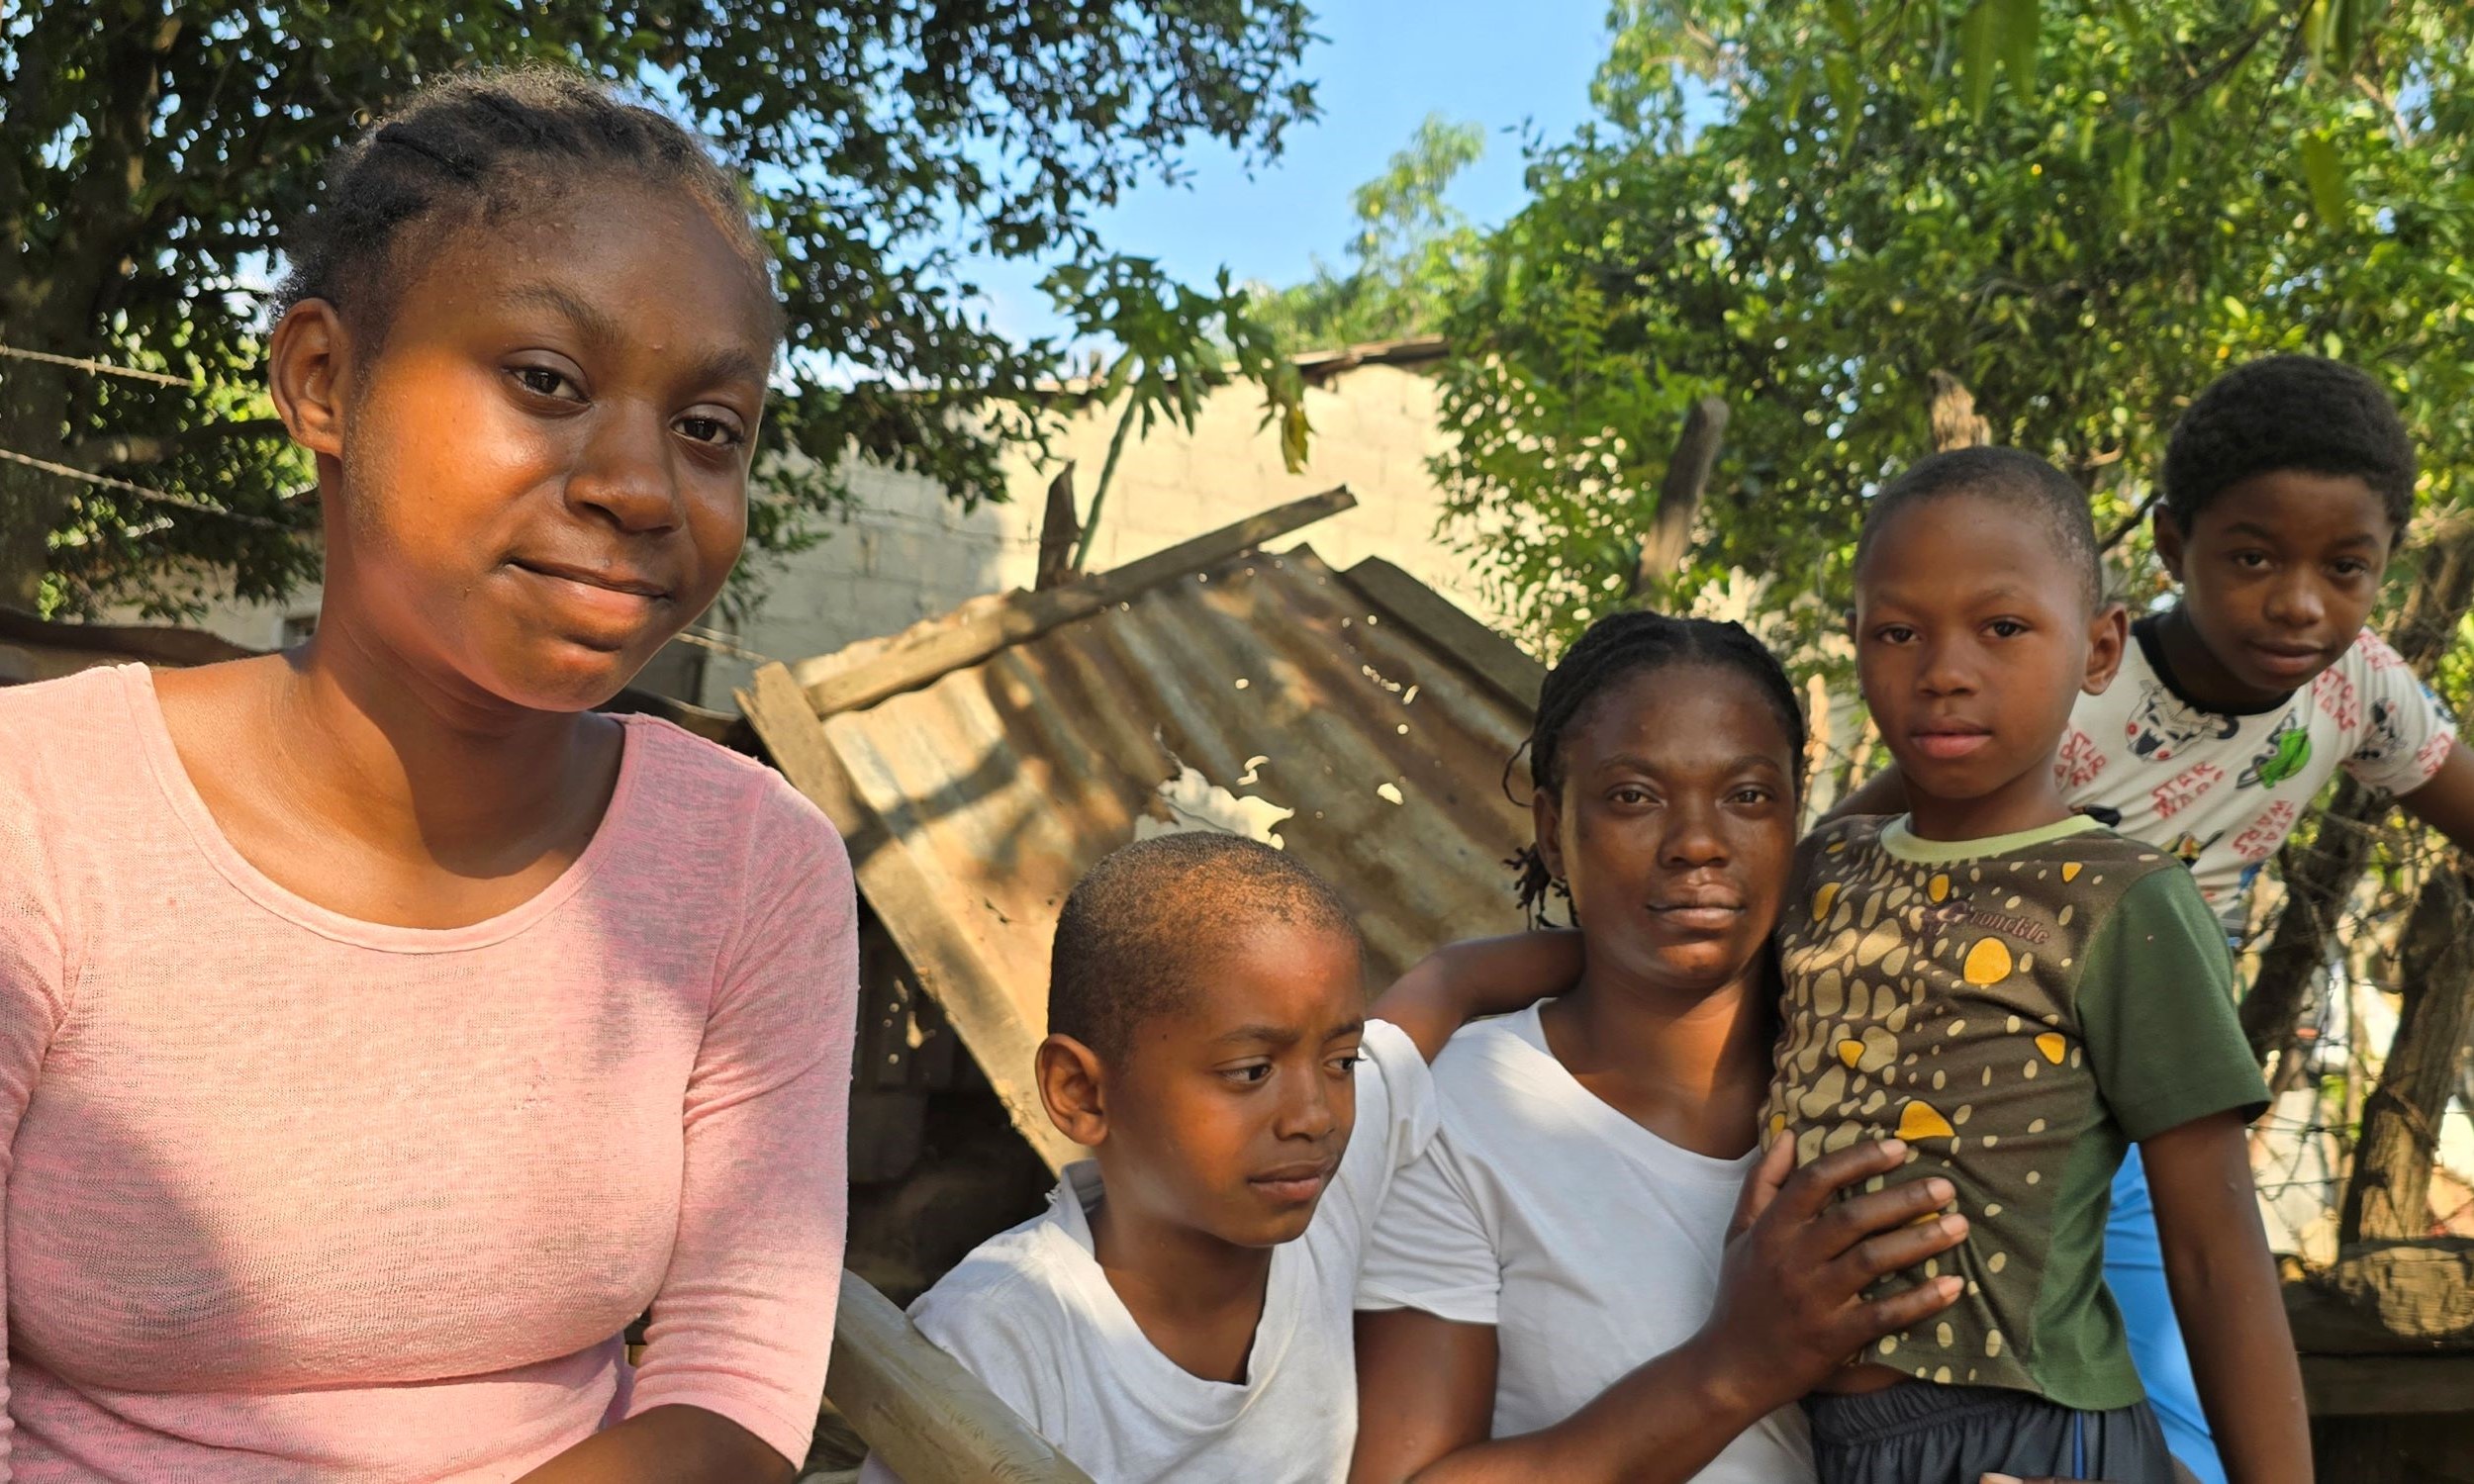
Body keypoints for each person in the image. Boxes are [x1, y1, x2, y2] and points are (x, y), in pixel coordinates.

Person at [0, 70, 851, 1482]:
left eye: (711, 427)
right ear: (323, 381)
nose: (641, 486)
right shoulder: (38, 819)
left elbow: (737, 1372)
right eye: (547, 381)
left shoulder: (755, 866)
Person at [1835, 356, 2474, 1484]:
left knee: (2190, 1362)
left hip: (2157, 1062)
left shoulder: (2360, 689)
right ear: (2175, 550)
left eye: (2346, 568)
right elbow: (1880, 823)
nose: (2298, 602)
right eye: (2251, 557)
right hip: (2009, 1057)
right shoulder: (2077, 672)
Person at [1777, 448, 2305, 1483]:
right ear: (1855, 647)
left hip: (2020, 1437)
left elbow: (2214, 1259)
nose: (1944, 670)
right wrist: (1461, 984)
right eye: (1897, 632)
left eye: (2003, 628)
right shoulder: (1824, 870)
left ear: (2099, 647)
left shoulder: (2121, 900)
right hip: (1808, 1433)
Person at [1349, 612, 1972, 1484]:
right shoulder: (1461, 1116)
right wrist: (1735, 1368)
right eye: (1633, 797)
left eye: (1749, 795)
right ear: (1553, 827)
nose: (1698, 844)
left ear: (1799, 814)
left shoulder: (1901, 1084)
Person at [858, 832, 1604, 1484]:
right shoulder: (1001, 1337)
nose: (1314, 1114)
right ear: (1081, 1091)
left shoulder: (1323, 1188)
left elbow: (1450, 984)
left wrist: (1659, 958)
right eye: (1251, 1072)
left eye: (1342, 1061)